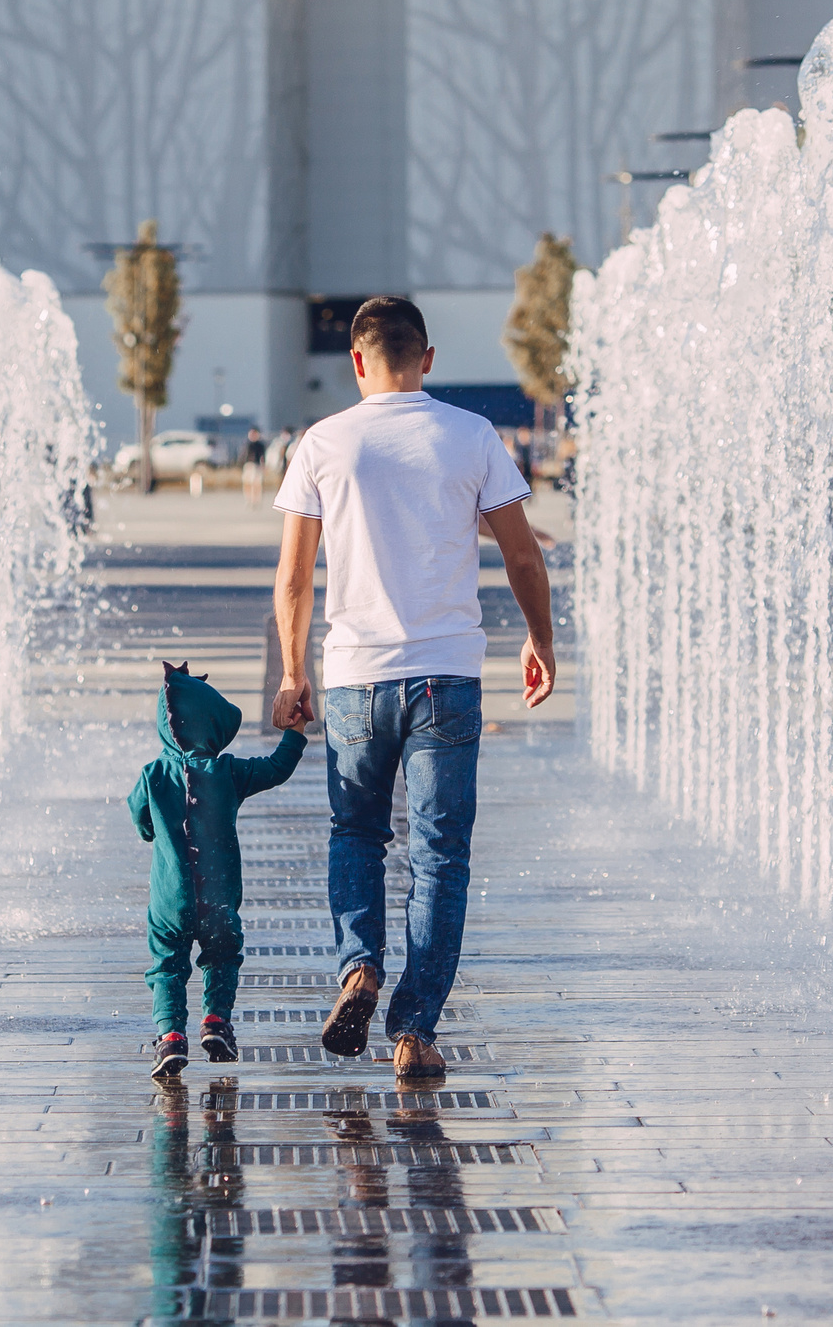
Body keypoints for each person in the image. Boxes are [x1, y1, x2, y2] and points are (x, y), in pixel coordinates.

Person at [270, 297, 555, 1082]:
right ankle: (413, 1031)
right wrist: (542, 638)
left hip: (358, 679)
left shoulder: (322, 443)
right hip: (446, 676)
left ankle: (358, 965)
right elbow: (523, 557)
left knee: (356, 834)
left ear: (356, 361)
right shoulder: (470, 435)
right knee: (439, 859)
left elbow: (294, 577)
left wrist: (294, 673)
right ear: (426, 358)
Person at [131, 663, 305, 1080]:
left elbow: (141, 822)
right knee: (223, 955)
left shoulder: (153, 775)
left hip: (169, 900)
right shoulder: (228, 772)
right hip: (219, 901)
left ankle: (171, 1036)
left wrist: (159, 823)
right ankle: (216, 1022)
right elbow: (277, 767)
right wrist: (295, 732)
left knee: (167, 965)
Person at [240, 425, 268, 508]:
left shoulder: (260, 445)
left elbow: (263, 457)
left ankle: (256, 500)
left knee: (256, 484)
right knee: (247, 484)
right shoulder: (246, 444)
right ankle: (248, 499)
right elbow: (243, 456)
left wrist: (263, 466)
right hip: (248, 465)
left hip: (256, 466)